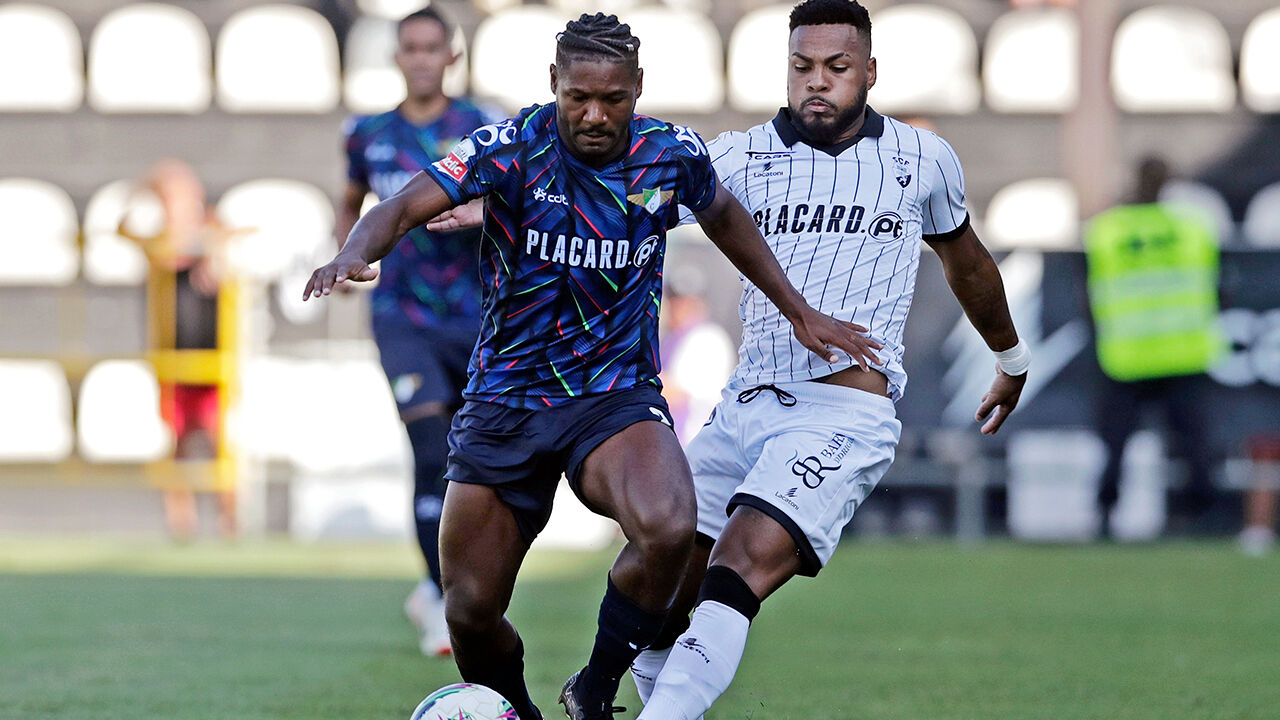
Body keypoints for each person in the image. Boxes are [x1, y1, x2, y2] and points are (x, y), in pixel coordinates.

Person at [304, 13, 880, 720]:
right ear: (555, 83)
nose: (595, 115)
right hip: (507, 399)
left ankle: (596, 689)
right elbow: (399, 206)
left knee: (670, 526)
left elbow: (726, 215)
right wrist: (353, 252)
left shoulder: (670, 154)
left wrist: (796, 309)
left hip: (612, 394)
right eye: (578, 97)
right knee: (470, 610)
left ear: (638, 88)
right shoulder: (511, 145)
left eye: (613, 98)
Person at [621, 2, 1028, 718]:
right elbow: (627, 209)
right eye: (802, 66)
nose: (817, 81)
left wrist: (1011, 358)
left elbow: (966, 262)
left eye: (836, 67)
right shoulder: (737, 157)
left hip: (842, 415)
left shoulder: (921, 158)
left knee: (735, 569)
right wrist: (506, 209)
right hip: (742, 408)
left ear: (868, 71)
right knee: (658, 584)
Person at [336, 6, 502, 658]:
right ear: (398, 56)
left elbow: (517, 198)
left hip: (478, 315)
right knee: (430, 452)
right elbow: (351, 200)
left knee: (469, 461)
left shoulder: (484, 127)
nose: (423, 58)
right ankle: (439, 597)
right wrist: (347, 253)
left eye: (434, 47)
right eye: (412, 47)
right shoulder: (367, 134)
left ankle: (456, 587)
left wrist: (479, 211)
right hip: (402, 316)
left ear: (452, 56)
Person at [1084, 157, 1224, 538]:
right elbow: (1218, 283)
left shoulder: (1108, 230)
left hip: (1126, 355)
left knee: (1115, 444)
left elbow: (1089, 289)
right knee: (1193, 445)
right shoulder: (1193, 227)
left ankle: (1105, 516)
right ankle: (1205, 521)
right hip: (1183, 352)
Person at [120, 159, 237, 541]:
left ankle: (229, 521)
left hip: (212, 353)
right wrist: (142, 198)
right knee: (177, 440)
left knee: (220, 437)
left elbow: (228, 259)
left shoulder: (212, 234)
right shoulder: (157, 244)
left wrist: (210, 253)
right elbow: (127, 231)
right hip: (173, 355)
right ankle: (181, 523)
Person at [658, 268, 735, 444]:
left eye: (686, 302)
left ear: (699, 303)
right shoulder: (670, 338)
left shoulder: (708, 337)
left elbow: (678, 394)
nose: (679, 308)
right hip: (675, 441)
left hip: (695, 442)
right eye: (675, 300)